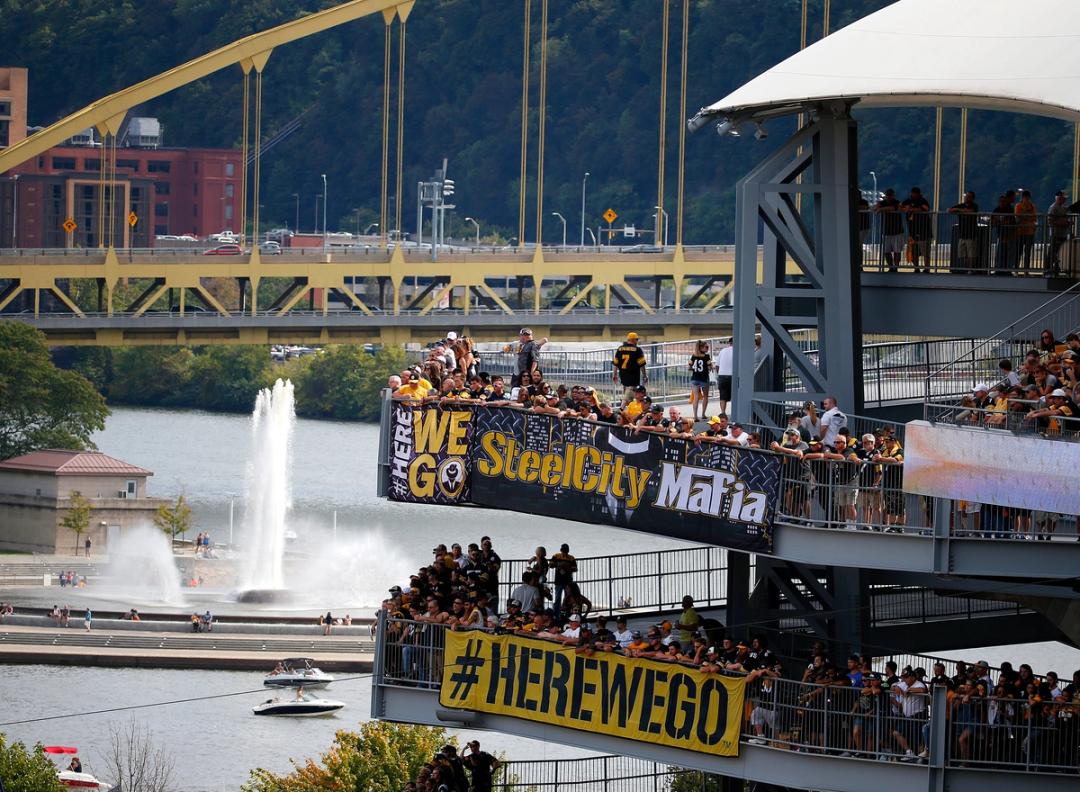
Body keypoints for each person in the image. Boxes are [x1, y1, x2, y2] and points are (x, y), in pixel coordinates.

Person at [901, 187, 933, 272]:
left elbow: (925, 208)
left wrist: (912, 209)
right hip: (913, 231)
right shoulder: (908, 201)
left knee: (925, 252)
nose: (913, 195)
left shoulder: (922, 200)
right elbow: (900, 206)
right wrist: (906, 209)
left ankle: (927, 268)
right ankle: (916, 268)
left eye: (915, 193)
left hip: (924, 231)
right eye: (913, 193)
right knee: (914, 252)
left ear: (919, 194)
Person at [948, 191, 980, 273]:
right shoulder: (961, 205)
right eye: (966, 196)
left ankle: (971, 269)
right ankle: (967, 268)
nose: (966, 198)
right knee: (963, 253)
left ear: (972, 198)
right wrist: (960, 209)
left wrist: (960, 210)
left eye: (969, 196)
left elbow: (971, 211)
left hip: (971, 234)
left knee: (971, 253)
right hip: (962, 234)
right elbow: (949, 210)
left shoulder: (974, 206)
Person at [874, 188, 904, 271]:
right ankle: (891, 266)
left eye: (890, 195)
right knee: (886, 251)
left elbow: (896, 208)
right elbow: (874, 208)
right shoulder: (882, 203)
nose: (889, 197)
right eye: (888, 195)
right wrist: (878, 206)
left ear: (893, 196)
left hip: (897, 231)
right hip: (886, 231)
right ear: (885, 196)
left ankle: (896, 267)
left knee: (897, 251)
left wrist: (881, 209)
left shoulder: (896, 202)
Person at [612, 332, 648, 401]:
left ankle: (626, 405)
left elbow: (616, 363)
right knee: (633, 392)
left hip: (623, 374)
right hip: (634, 375)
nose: (637, 341)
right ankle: (626, 405)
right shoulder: (637, 350)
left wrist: (615, 375)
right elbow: (642, 365)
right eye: (637, 339)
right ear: (633, 340)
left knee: (626, 390)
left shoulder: (620, 349)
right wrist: (644, 375)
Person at [1046, 191, 1071, 275]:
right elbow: (1050, 221)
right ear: (1059, 198)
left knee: (1059, 253)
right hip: (1055, 234)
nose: (1065, 200)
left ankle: (1056, 269)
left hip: (1062, 234)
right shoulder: (1053, 207)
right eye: (1064, 198)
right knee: (1052, 252)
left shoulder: (1062, 208)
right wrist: (1063, 223)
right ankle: (1048, 269)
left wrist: (1067, 223)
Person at [550, 543, 577, 620]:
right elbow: (551, 565)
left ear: (568, 551)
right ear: (561, 550)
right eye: (563, 551)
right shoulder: (556, 556)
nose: (564, 553)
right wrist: (559, 566)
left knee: (567, 598)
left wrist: (567, 569)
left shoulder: (571, 558)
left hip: (568, 582)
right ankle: (556, 614)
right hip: (558, 581)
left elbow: (575, 569)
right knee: (558, 598)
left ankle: (567, 614)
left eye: (566, 551)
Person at [688, 340, 712, 421]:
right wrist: (711, 367)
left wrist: (695, 369)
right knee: (705, 396)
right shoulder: (706, 356)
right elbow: (709, 367)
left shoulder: (693, 356)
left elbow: (689, 367)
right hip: (704, 378)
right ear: (701, 347)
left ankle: (695, 416)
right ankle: (703, 414)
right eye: (706, 347)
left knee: (696, 397)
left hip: (695, 378)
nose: (707, 349)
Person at [1015, 189, 1037, 272]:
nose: (1027, 200)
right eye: (1026, 198)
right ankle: (1016, 269)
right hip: (1020, 232)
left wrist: (1025, 216)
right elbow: (1018, 216)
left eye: (1028, 198)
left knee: (1028, 252)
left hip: (1030, 232)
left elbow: (1034, 217)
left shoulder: (1032, 206)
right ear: (1023, 198)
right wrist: (1028, 217)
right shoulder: (1018, 206)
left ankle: (1026, 270)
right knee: (1019, 251)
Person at [714, 340, 734, 415]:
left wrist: (718, 375)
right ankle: (734, 413)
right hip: (733, 376)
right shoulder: (738, 351)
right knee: (734, 395)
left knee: (722, 396)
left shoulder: (723, 351)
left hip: (722, 376)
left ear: (729, 343)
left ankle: (723, 412)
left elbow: (717, 366)